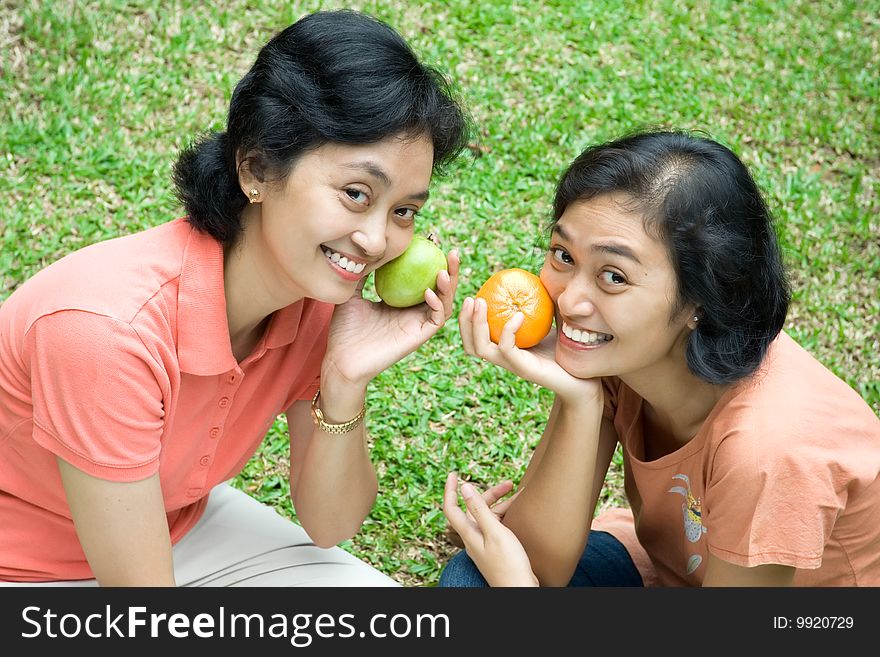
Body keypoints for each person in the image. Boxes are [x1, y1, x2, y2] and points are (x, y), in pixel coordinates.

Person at [0, 9, 470, 586]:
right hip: (25, 571)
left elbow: (330, 523)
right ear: (256, 168)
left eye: (403, 211)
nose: (377, 240)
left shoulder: (314, 301)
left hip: (180, 530)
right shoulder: (106, 330)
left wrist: (345, 378)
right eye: (355, 193)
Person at [440, 130, 880, 587]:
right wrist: (579, 400)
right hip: (671, 575)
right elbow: (537, 563)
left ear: (700, 300)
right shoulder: (618, 354)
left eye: (613, 275)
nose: (570, 300)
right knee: (472, 579)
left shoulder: (769, 450)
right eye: (562, 255)